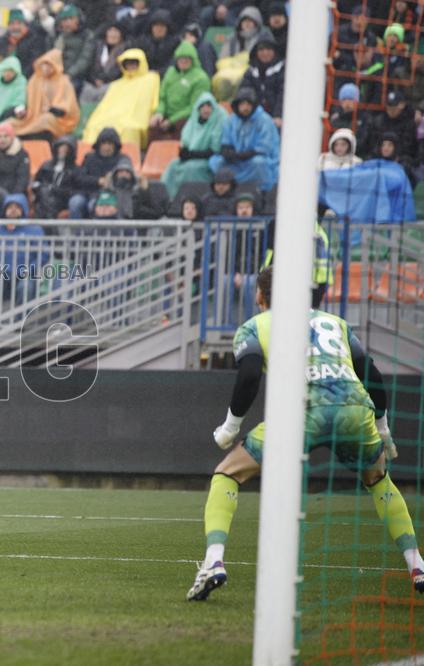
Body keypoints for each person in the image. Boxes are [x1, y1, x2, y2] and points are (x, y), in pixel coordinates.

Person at [186, 266, 424, 600]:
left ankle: (213, 560)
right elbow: (369, 371)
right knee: (379, 481)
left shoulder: (256, 325)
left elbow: (249, 375)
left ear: (259, 296)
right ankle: (416, 564)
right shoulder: (335, 323)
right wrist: (383, 429)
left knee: (227, 474)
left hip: (302, 413)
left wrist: (230, 428)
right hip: (355, 409)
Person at [83, 48, 160, 149]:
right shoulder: (116, 84)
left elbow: (153, 100)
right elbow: (104, 106)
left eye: (134, 62)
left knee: (129, 130)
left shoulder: (151, 78)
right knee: (93, 127)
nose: (130, 65)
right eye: (127, 63)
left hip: (135, 120)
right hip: (111, 119)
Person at [208, 86, 280, 192]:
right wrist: (229, 152)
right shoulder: (231, 120)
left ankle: (261, 189)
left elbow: (266, 147)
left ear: (253, 105)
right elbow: (225, 142)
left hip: (255, 159)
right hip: (237, 160)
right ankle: (228, 187)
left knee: (258, 163)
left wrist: (246, 154)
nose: (245, 108)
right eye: (242, 104)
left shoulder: (264, 120)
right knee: (216, 162)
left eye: (248, 104)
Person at [162, 92, 228, 197]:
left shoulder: (219, 120)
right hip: (193, 157)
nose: (206, 109)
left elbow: (216, 149)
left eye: (209, 106)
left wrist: (192, 154)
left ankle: (191, 198)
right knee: (173, 166)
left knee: (191, 169)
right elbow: (186, 143)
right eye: (202, 106)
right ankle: (167, 199)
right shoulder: (193, 120)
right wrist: (185, 153)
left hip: (211, 159)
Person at [12, 49, 80, 142]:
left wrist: (50, 109)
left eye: (49, 64)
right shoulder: (35, 80)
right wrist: (23, 111)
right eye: (44, 64)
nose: (46, 67)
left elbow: (66, 110)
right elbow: (28, 102)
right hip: (31, 117)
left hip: (57, 121)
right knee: (9, 124)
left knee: (46, 120)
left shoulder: (63, 82)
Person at [150, 40, 211, 141]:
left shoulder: (201, 78)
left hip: (187, 118)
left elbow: (195, 106)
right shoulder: (170, 73)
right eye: (180, 59)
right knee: (153, 125)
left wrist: (171, 120)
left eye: (187, 59)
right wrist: (159, 113)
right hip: (167, 115)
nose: (183, 61)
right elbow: (162, 97)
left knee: (181, 125)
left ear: (193, 60)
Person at [69, 126, 122, 218]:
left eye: (110, 144)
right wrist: (98, 181)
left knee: (95, 206)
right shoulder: (89, 158)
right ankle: (75, 231)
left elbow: (127, 178)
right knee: (75, 203)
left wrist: (112, 180)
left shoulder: (122, 160)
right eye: (104, 143)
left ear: (115, 145)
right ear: (99, 145)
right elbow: (80, 178)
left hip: (112, 195)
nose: (106, 147)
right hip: (87, 192)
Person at [0, 9, 50, 81]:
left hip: (25, 80)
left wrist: (17, 79)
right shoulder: (0, 41)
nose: (15, 27)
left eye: (19, 23)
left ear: (24, 25)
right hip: (1, 80)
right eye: (12, 24)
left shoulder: (35, 40)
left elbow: (34, 64)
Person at [240, 30, 284, 128]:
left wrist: (278, 115)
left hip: (277, 120)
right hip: (254, 119)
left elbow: (282, 94)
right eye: (261, 50)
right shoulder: (250, 72)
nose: (265, 53)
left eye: (268, 49)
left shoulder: (282, 70)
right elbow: (244, 93)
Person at [31, 134, 78, 219]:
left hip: (62, 200)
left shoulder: (75, 170)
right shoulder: (46, 165)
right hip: (43, 197)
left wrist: (54, 190)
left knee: (45, 202)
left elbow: (73, 191)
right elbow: (36, 182)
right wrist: (43, 188)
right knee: (44, 197)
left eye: (66, 149)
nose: (62, 151)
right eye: (61, 147)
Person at [53, 5, 93, 96]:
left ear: (78, 20)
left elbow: (85, 59)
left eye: (71, 19)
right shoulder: (57, 37)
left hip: (79, 77)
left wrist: (69, 74)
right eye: (64, 20)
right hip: (58, 75)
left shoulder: (87, 35)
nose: (67, 23)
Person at [84, 22, 127, 104]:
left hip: (113, 83)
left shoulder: (124, 49)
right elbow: (90, 65)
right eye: (110, 31)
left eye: (116, 31)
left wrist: (104, 80)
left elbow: (119, 70)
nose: (113, 34)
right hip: (93, 82)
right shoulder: (98, 46)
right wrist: (94, 79)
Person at [0, 122, 31, 195]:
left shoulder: (22, 155)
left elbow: (23, 179)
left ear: (12, 138)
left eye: (6, 136)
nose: (2, 140)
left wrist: (12, 197)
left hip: (14, 194)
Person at [135, 9, 179, 73]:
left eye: (162, 26)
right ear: (151, 27)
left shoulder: (175, 43)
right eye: (156, 25)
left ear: (167, 28)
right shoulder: (142, 42)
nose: (159, 28)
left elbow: (173, 63)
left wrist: (159, 72)